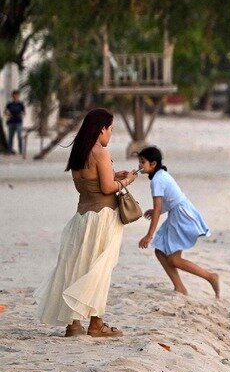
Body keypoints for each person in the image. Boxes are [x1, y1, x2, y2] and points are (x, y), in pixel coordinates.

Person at [35, 108, 134, 338]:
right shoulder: (100, 152)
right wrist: (128, 180)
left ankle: (73, 324)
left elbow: (92, 182)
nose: (110, 134)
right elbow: (107, 188)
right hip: (103, 217)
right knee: (100, 270)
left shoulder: (79, 151)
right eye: (110, 129)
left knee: (79, 268)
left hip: (82, 217)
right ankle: (96, 324)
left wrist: (114, 175)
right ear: (102, 129)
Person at [135, 147, 219, 298]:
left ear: (153, 164)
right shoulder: (161, 175)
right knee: (160, 251)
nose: (139, 165)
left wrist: (149, 235)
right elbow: (169, 200)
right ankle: (179, 287)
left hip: (181, 215)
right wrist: (156, 211)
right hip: (178, 212)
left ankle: (210, 277)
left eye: (142, 162)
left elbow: (159, 207)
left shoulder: (157, 180)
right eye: (139, 162)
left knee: (174, 259)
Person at [5, 90, 24, 154]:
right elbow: (5, 111)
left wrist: (21, 114)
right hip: (11, 122)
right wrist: (8, 113)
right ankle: (9, 150)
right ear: (12, 96)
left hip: (19, 122)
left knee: (19, 136)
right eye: (15, 95)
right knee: (10, 137)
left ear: (19, 96)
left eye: (17, 95)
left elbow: (24, 112)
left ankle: (21, 150)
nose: (16, 97)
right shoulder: (9, 104)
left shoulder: (21, 104)